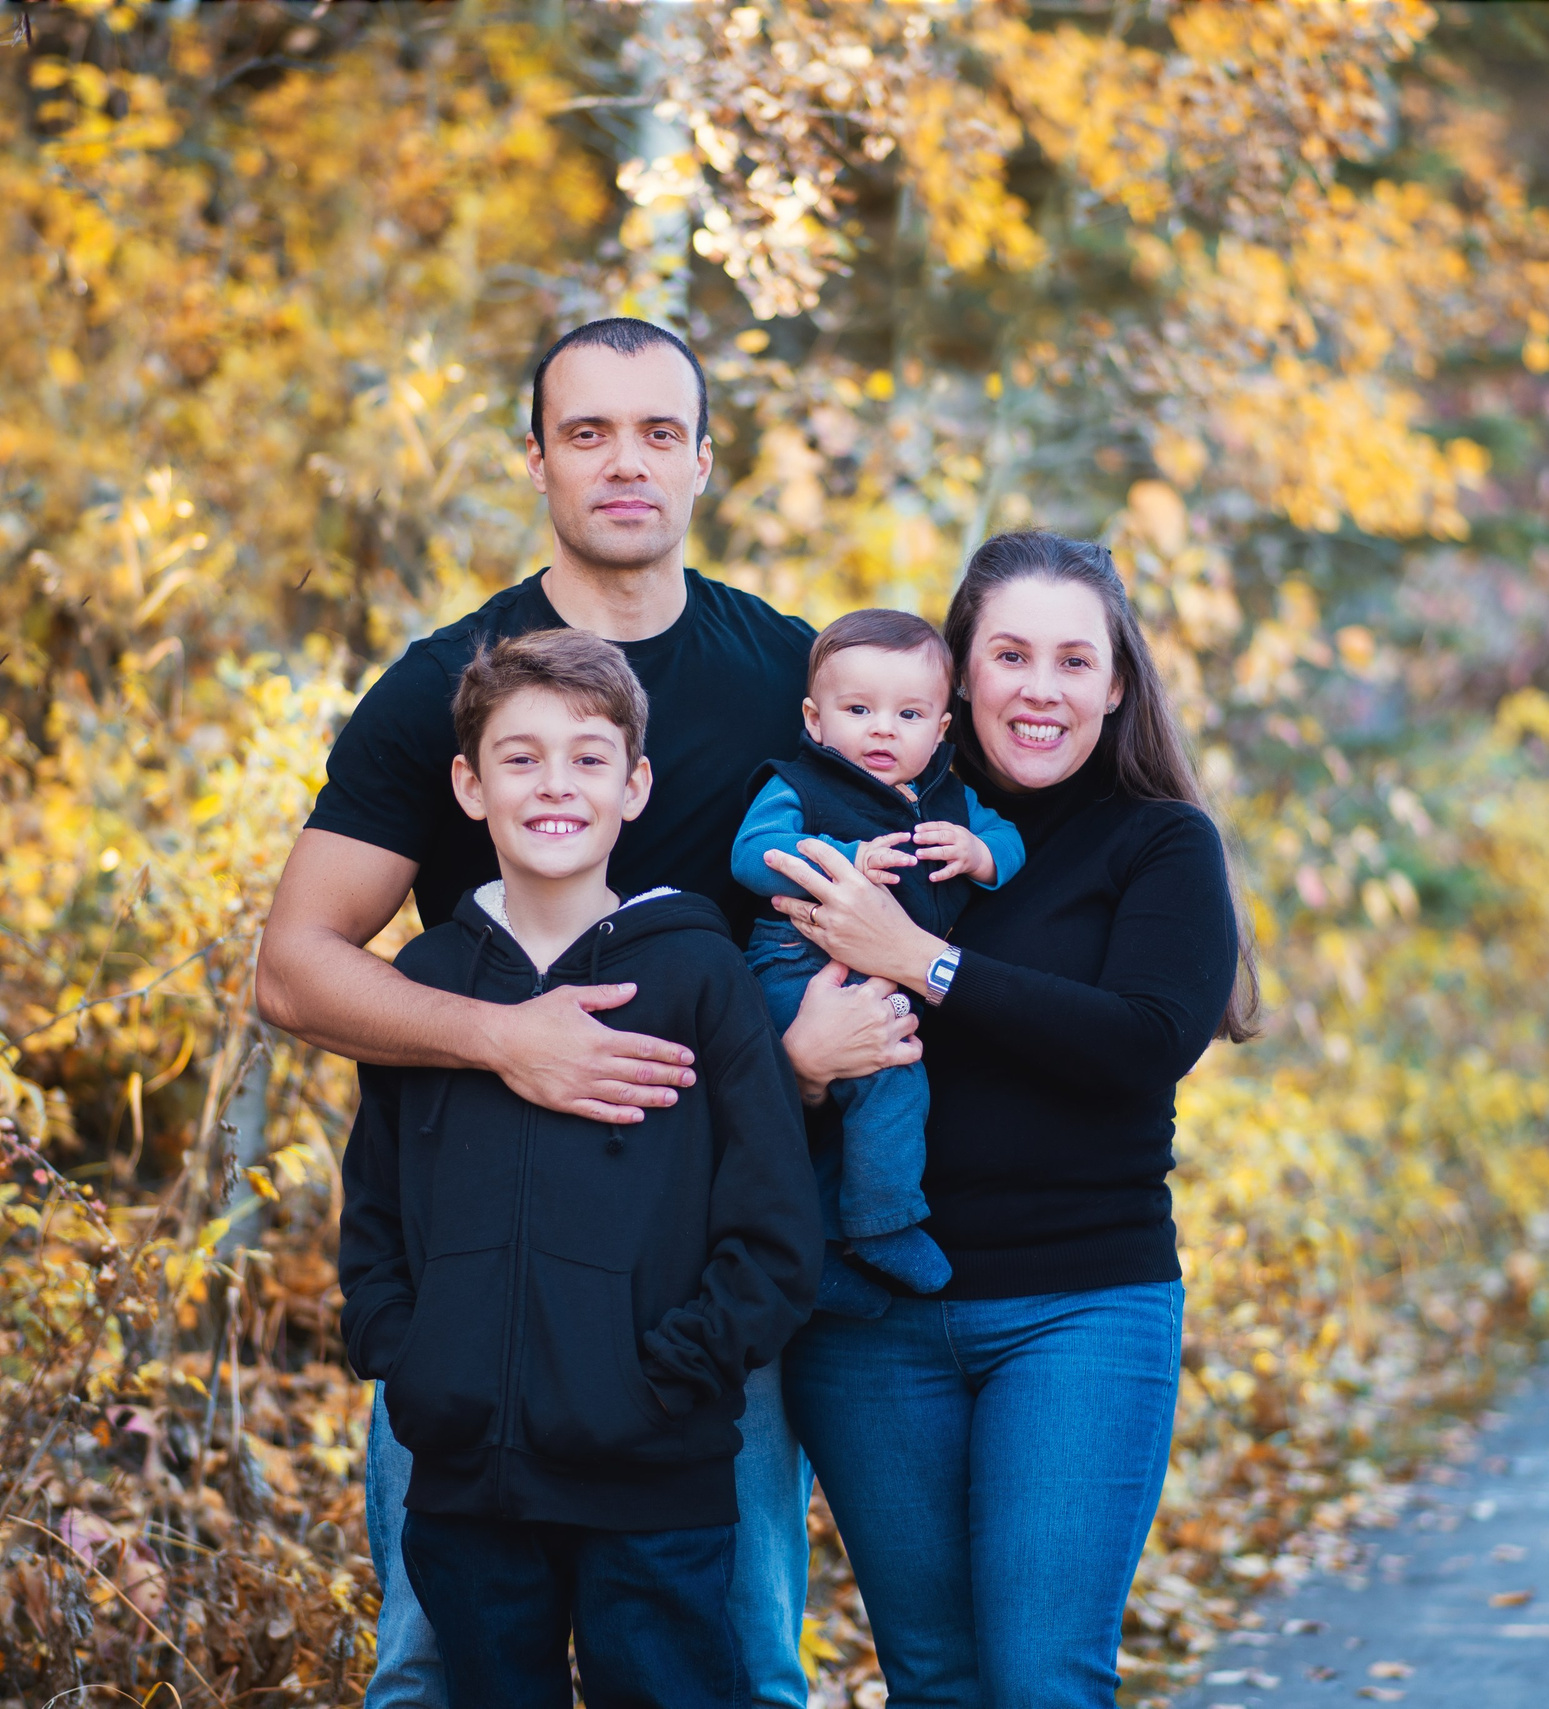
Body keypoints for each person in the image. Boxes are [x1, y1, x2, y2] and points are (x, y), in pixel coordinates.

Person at [256, 316, 917, 1709]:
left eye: (659, 432)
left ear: (704, 460)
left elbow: (942, 855)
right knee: (435, 1669)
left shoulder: (789, 680)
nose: (626, 463)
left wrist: (801, 1060)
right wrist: (507, 1039)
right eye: (588, 432)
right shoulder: (448, 688)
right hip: (476, 1280)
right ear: (537, 459)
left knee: (733, 1662)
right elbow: (294, 966)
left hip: (700, 1286)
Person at [758, 532, 1260, 1709]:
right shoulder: (854, 820)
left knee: (1041, 1679)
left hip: (1077, 1306)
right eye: (1011, 654)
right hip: (868, 1319)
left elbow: (1140, 1043)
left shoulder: (1157, 840)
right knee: (936, 1680)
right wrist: (801, 1067)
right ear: (958, 676)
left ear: (1117, 684)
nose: (1041, 688)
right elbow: (763, 1023)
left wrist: (920, 959)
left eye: (1074, 660)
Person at [339, 629, 818, 1709]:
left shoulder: (699, 975)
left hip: (653, 1481)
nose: (555, 783)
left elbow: (775, 1230)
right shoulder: (430, 980)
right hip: (465, 1480)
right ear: (470, 785)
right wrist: (411, 1353)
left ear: (634, 786)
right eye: (520, 757)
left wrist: (665, 1380)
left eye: (588, 757)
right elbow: (374, 1210)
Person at [731, 609, 1024, 1318]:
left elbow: (1011, 840)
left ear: (941, 729)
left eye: (909, 714)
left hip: (882, 980)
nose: (883, 730)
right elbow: (752, 854)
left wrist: (980, 854)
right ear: (815, 719)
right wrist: (843, 859)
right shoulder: (799, 784)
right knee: (891, 1083)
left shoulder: (952, 800)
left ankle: (834, 1252)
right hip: (798, 968)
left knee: (862, 1110)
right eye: (859, 710)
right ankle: (884, 1227)